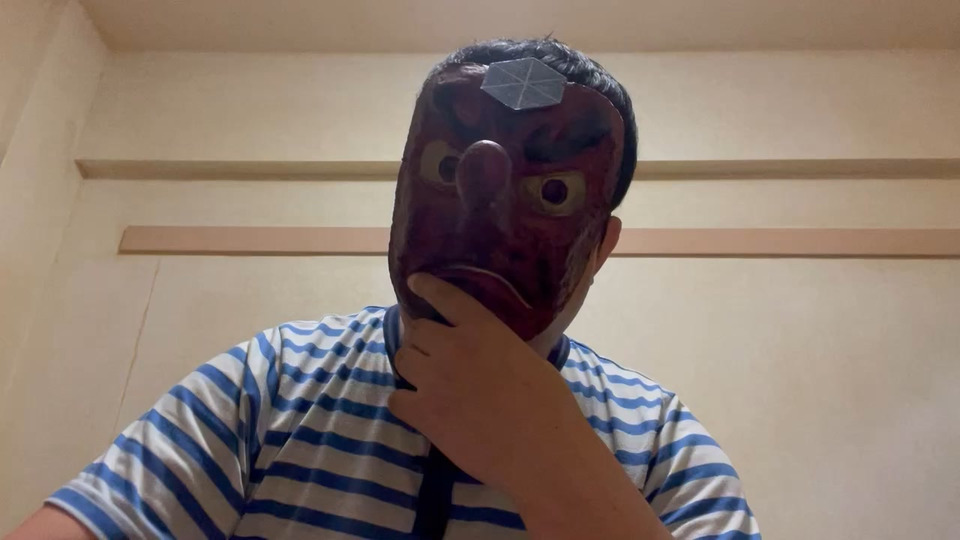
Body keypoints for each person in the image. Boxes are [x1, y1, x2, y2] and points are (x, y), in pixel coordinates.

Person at [9, 38, 760, 539]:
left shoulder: (662, 443)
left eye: (554, 192)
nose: (483, 219)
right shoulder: (272, 379)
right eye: (445, 168)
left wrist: (557, 471)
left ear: (601, 247)